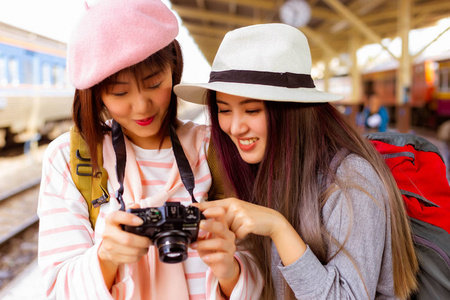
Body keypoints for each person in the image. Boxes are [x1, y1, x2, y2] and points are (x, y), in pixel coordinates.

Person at [174, 23, 419, 299]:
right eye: (224, 110)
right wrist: (228, 270)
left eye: (252, 109)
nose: (235, 127)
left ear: (292, 111)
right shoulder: (260, 170)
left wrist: (279, 227)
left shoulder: (352, 179)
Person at [37, 1, 261, 299]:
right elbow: (55, 289)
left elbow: (262, 267)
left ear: (174, 69)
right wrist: (106, 258)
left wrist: (231, 272)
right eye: (120, 92)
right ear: (96, 94)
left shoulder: (213, 148)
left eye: (154, 83)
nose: (142, 106)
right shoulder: (70, 158)